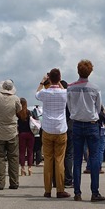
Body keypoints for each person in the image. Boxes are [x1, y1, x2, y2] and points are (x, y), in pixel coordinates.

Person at [66, 59, 105, 202]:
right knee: (94, 157)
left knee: (77, 158)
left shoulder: (70, 88)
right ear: (90, 72)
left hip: (76, 123)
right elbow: (98, 107)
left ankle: (77, 192)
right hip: (91, 123)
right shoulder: (95, 88)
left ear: (78, 71)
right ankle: (95, 192)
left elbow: (69, 107)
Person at [35, 68, 70, 199]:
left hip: (47, 129)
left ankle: (47, 190)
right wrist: (58, 81)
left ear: (49, 79)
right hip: (61, 129)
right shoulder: (64, 93)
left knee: (48, 160)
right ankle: (60, 189)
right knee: (59, 160)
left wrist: (42, 81)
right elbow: (63, 90)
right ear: (60, 78)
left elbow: (36, 94)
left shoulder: (45, 92)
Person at [0, 79, 22, 191]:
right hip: (11, 130)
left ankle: (0, 183)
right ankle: (14, 183)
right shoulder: (15, 98)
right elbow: (19, 109)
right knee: (13, 158)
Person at [17, 98, 35, 177]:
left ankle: (22, 168)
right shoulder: (29, 112)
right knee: (30, 151)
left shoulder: (18, 113)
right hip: (30, 134)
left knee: (22, 152)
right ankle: (30, 168)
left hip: (21, 134)